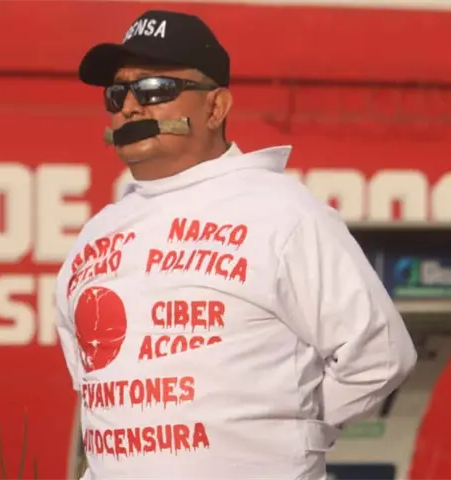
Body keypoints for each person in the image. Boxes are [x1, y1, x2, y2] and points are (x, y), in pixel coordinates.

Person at [55, 9, 417, 480]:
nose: (130, 108)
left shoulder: (283, 213)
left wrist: (288, 433)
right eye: (117, 93)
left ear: (215, 107)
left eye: (155, 89)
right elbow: (92, 384)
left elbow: (380, 355)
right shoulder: (96, 235)